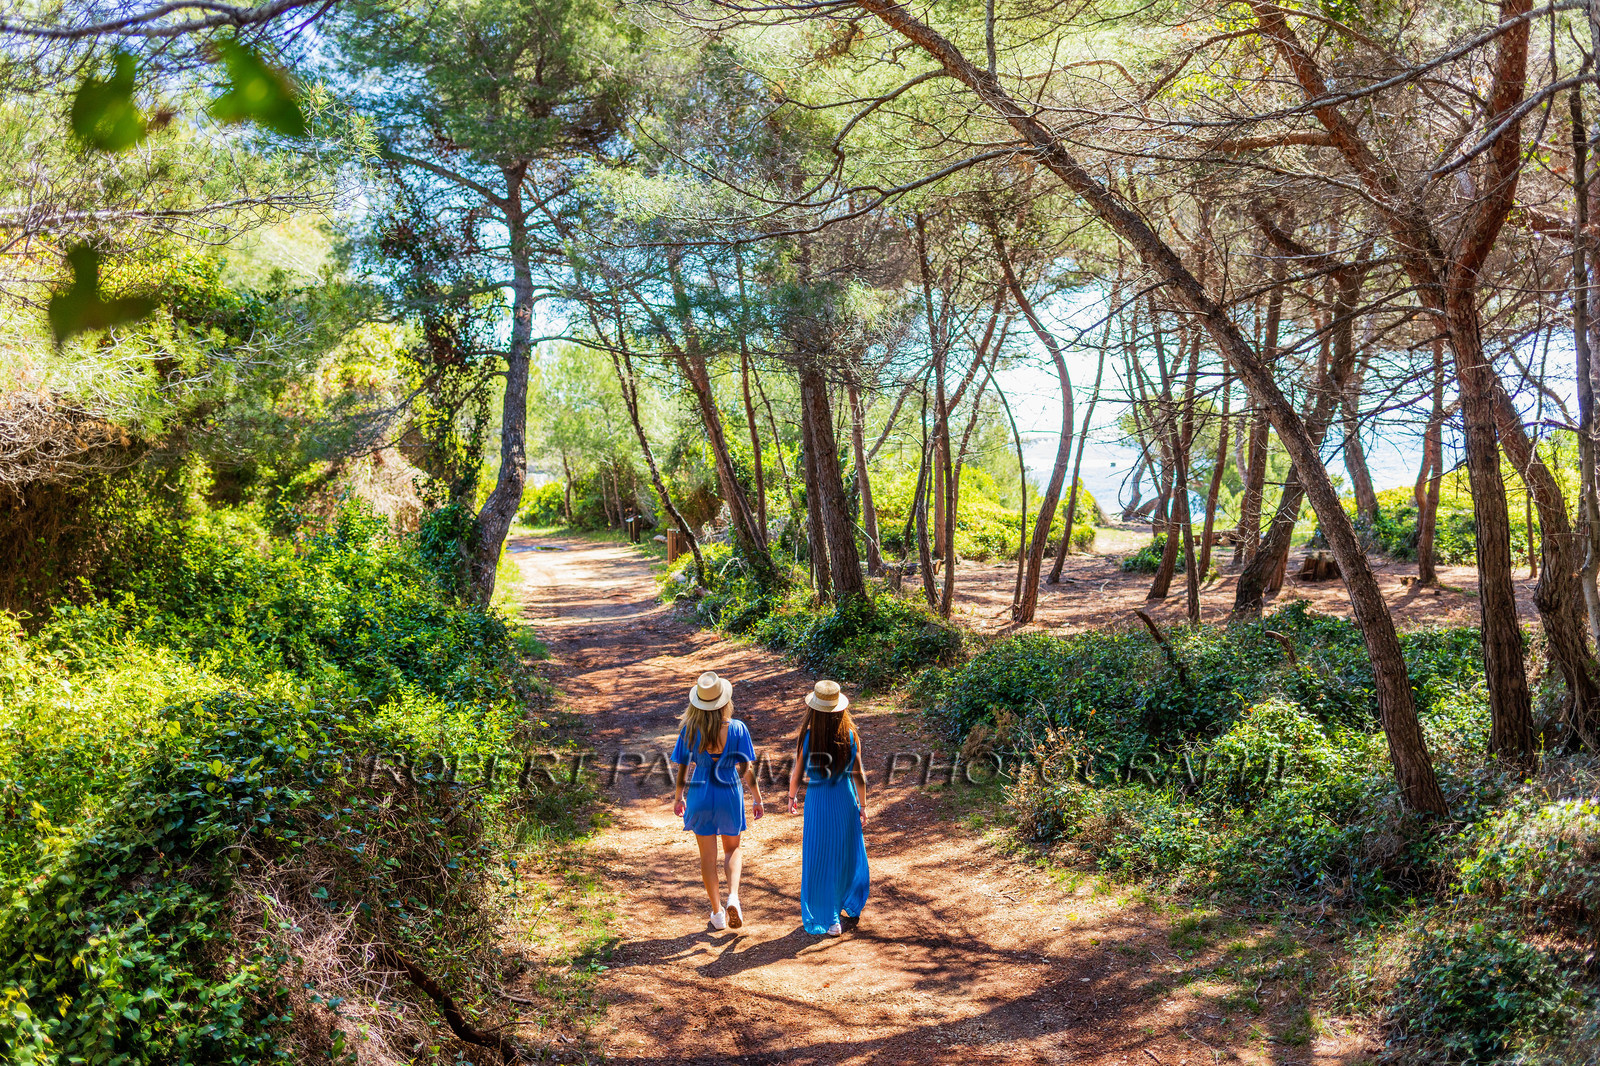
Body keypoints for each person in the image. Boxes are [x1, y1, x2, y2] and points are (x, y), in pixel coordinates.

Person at [671, 671, 763, 930]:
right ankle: (733, 896)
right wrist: (757, 799)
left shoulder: (689, 730)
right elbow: (746, 769)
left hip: (700, 793)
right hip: (729, 791)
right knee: (732, 849)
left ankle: (717, 913)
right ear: (724, 701)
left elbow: (682, 768)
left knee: (707, 858)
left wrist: (679, 797)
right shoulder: (737, 728)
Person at [787, 679, 870, 937]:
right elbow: (859, 776)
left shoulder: (809, 737)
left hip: (818, 801)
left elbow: (797, 773)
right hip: (845, 800)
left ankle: (831, 916)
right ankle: (846, 903)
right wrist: (863, 806)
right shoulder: (850, 736)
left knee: (820, 857)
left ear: (814, 710)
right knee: (844, 854)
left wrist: (792, 797)